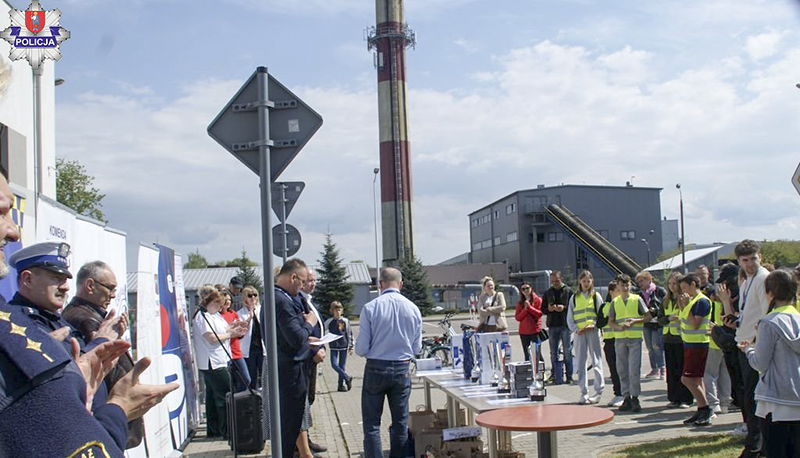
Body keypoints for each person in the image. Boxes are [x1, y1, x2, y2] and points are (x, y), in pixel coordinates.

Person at [0, 172, 176, 457]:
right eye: (55, 279)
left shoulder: (52, 321)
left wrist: (80, 370)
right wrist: (114, 405)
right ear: (28, 280)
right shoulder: (18, 328)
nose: (13, 232)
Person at [61, 260, 144, 449]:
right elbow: (101, 365)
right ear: (90, 285)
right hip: (105, 409)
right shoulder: (83, 318)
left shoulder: (90, 316)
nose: (113, 295)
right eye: (110, 288)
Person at [355, 267, 422, 458]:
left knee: (372, 424)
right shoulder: (413, 309)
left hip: (376, 366)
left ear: (380, 284)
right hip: (402, 368)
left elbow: (361, 349)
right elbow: (416, 349)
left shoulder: (370, 308)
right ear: (400, 284)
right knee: (400, 423)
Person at [740, 270, 800, 458]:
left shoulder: (769, 322)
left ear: (770, 293)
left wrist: (748, 349)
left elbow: (760, 363)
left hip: (777, 400)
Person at [264, 259, 318, 458]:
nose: (303, 287)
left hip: (286, 366)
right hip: (290, 371)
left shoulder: (275, 297)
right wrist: (309, 324)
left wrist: (306, 337)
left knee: (289, 425)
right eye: (302, 282)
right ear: (293, 277)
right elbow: (295, 338)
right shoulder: (282, 301)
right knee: (290, 426)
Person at [732, 240, 770, 458]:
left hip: (753, 347)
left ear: (760, 257)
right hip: (744, 344)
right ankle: (756, 444)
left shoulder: (763, 279)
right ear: (739, 261)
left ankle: (756, 446)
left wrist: (756, 343)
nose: (750, 264)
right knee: (747, 397)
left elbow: (765, 316)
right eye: (745, 260)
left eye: (753, 259)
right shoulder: (747, 281)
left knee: (754, 399)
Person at [193, 287, 247, 439]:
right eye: (217, 304)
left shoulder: (213, 315)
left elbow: (223, 329)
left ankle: (215, 429)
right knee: (225, 395)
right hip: (212, 362)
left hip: (220, 359)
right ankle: (226, 430)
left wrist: (234, 328)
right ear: (209, 302)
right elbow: (211, 338)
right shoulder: (201, 316)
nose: (219, 308)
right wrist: (231, 334)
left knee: (212, 397)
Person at [677, 273, 714, 426]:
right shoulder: (693, 302)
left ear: (693, 284)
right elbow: (684, 318)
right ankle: (701, 409)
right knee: (697, 379)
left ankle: (705, 408)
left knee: (687, 379)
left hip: (698, 344)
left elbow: (694, 324)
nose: (684, 292)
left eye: (685, 288)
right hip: (690, 343)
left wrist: (686, 306)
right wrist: (682, 306)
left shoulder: (702, 302)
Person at [297, 267, 327, 457]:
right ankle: (299, 447)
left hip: (313, 358)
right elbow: (300, 333)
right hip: (306, 358)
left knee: (309, 400)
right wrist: (314, 351)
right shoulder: (298, 301)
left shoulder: (308, 300)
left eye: (315, 280)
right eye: (309, 280)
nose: (313, 283)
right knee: (303, 402)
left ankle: (305, 442)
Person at [607, 274, 648, 413]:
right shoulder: (615, 301)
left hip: (634, 339)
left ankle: (635, 397)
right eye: (622, 285)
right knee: (622, 370)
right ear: (617, 286)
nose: (625, 288)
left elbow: (648, 316)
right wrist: (619, 327)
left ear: (630, 285)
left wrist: (635, 321)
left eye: (627, 285)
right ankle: (626, 397)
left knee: (633, 370)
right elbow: (610, 321)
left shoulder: (637, 299)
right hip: (620, 339)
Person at [567, 270, 604, 404]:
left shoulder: (596, 296)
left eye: (589, 281)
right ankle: (583, 392)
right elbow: (570, 317)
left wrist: (594, 325)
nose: (586, 284)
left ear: (592, 281)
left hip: (593, 331)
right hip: (580, 333)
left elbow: (601, 315)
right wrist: (576, 329)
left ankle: (598, 390)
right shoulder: (574, 298)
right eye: (584, 281)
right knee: (581, 362)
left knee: (596, 360)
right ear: (580, 282)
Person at [658, 271, 694, 409]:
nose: (672, 286)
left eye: (675, 283)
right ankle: (674, 398)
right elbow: (660, 319)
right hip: (668, 338)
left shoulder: (684, 299)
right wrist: (668, 319)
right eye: (670, 283)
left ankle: (686, 398)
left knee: (682, 369)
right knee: (671, 370)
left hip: (681, 338)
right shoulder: (665, 300)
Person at [542, 271, 574, 384]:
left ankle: (569, 376)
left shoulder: (568, 291)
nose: (555, 283)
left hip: (565, 324)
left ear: (561, 279)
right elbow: (543, 309)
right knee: (553, 352)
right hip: (552, 325)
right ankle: (555, 375)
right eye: (553, 281)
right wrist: (549, 309)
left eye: (557, 281)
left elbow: (574, 306)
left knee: (567, 351)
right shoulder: (548, 292)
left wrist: (563, 308)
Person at [598, 280, 625, 407]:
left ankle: (624, 394)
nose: (620, 293)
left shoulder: (622, 304)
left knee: (622, 368)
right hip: (609, 340)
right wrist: (608, 317)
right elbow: (599, 323)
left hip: (620, 339)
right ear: (611, 292)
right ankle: (617, 393)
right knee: (613, 368)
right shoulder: (605, 306)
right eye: (617, 290)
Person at [636, 271, 666, 380]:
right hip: (647, 322)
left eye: (642, 281)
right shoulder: (639, 295)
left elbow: (664, 303)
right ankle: (654, 369)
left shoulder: (659, 291)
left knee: (656, 346)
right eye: (639, 282)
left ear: (649, 280)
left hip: (657, 323)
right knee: (649, 347)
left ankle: (662, 369)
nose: (640, 284)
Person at [220, 290, 251, 392]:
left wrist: (241, 331)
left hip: (236, 351)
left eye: (229, 300)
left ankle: (238, 398)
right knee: (229, 382)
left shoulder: (233, 313)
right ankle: (233, 401)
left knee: (246, 379)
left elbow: (238, 334)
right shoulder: (216, 316)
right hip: (225, 352)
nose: (228, 302)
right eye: (225, 300)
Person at [237, 285, 264, 389]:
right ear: (245, 298)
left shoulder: (261, 310)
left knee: (264, 375)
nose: (253, 298)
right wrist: (250, 317)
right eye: (250, 295)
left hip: (262, 348)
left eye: (255, 295)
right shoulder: (240, 313)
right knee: (251, 377)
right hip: (249, 350)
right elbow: (241, 331)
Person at [325, 301, 354, 391]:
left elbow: (349, 334)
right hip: (333, 346)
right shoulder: (329, 321)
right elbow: (322, 329)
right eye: (335, 310)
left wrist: (351, 346)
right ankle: (347, 377)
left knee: (342, 366)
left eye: (339, 310)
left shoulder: (344, 321)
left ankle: (340, 385)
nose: (337, 312)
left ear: (342, 311)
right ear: (332, 311)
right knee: (334, 364)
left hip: (343, 346)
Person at [515, 282, 544, 362]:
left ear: (531, 288)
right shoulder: (520, 303)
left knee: (537, 354)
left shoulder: (538, 300)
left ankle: (541, 372)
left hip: (534, 331)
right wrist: (525, 309)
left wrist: (530, 308)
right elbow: (518, 317)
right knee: (527, 354)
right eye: (523, 289)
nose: (525, 291)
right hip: (523, 332)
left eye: (527, 288)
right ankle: (529, 372)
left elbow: (539, 314)